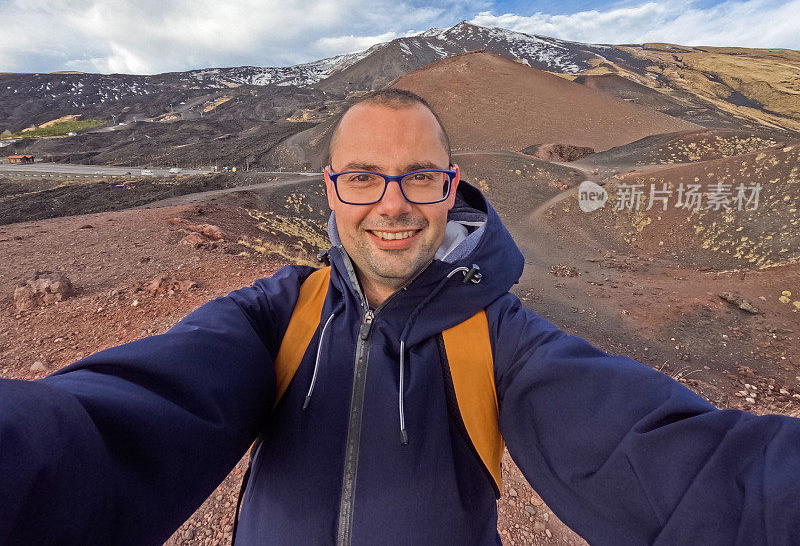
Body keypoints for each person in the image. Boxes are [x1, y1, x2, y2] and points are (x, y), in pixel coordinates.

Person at [1, 89, 799, 545]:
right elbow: (100, 429)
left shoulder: (499, 338)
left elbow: (672, 461)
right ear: (329, 189)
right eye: (363, 178)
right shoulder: (274, 315)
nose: (392, 204)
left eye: (418, 177)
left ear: (451, 190)